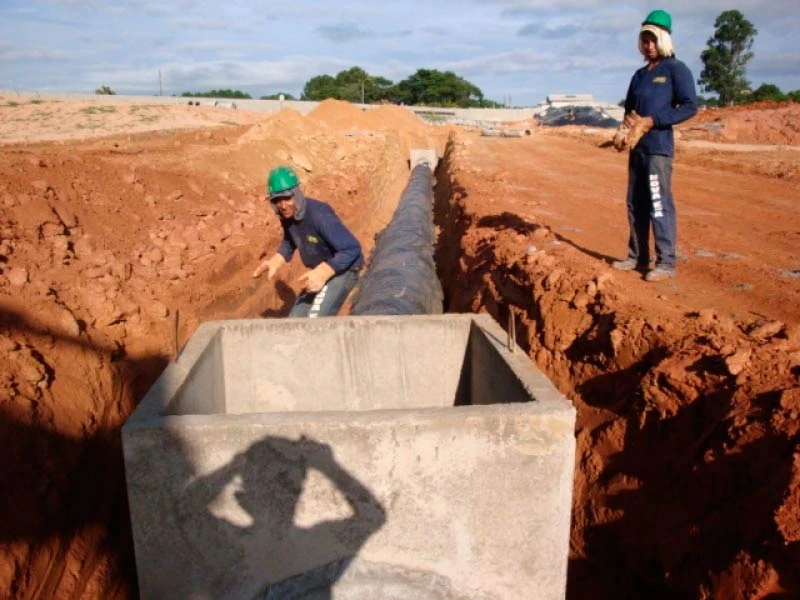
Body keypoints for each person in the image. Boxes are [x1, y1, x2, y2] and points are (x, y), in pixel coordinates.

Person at [613, 9, 698, 281]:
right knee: (634, 203)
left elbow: (689, 107)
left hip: (658, 148)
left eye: (652, 40)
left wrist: (652, 120)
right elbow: (629, 109)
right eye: (644, 40)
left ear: (663, 39)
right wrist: (624, 128)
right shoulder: (639, 75)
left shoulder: (676, 70)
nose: (648, 46)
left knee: (658, 202)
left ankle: (666, 262)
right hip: (637, 148)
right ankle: (637, 257)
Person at [253, 166, 364, 317]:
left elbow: (352, 248)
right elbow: (290, 239)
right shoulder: (288, 216)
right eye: (277, 200)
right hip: (319, 269)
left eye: (287, 198)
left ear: (297, 194)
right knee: (296, 321)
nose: (283, 205)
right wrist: (276, 260)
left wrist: (324, 272)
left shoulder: (319, 214)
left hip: (343, 269)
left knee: (315, 321)